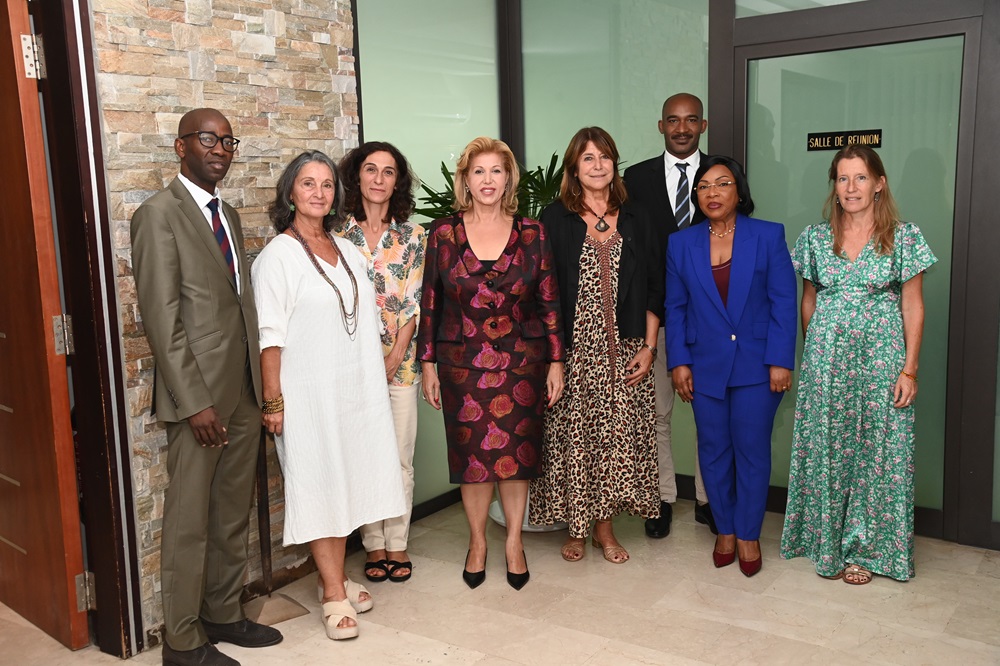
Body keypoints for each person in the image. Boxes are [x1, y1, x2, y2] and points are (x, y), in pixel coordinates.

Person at [130, 108, 283, 666]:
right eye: (207, 139)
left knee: (230, 512)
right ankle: (183, 639)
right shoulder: (157, 215)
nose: (219, 149)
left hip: (240, 392)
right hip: (199, 400)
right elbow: (161, 316)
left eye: (227, 141)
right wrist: (194, 401)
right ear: (180, 146)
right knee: (190, 519)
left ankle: (222, 612)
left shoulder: (231, 216)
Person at [251, 151, 406, 640]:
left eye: (325, 185)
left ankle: (330, 579)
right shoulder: (278, 255)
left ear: (336, 194)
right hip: (309, 394)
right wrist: (273, 401)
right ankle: (335, 593)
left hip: (354, 389)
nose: (318, 192)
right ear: (290, 193)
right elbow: (269, 336)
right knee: (320, 484)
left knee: (349, 481)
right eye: (306, 183)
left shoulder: (347, 247)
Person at [780, 145, 936, 585]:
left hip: (881, 360)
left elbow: (914, 305)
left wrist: (909, 369)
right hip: (826, 363)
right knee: (829, 448)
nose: (851, 188)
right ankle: (826, 541)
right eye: (843, 178)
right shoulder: (814, 237)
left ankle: (865, 550)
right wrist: (816, 357)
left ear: (879, 183)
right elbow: (807, 302)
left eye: (861, 178)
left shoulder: (905, 237)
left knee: (877, 454)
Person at [418, 136, 565, 591]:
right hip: (462, 365)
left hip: (523, 362)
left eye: (496, 171)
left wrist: (557, 361)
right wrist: (427, 363)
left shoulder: (533, 233)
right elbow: (430, 303)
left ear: (508, 179)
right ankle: (478, 542)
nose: (488, 180)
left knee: (516, 459)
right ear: (466, 179)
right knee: (474, 460)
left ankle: (514, 542)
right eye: (478, 171)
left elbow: (550, 301)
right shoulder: (443, 234)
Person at [529, 127, 662, 564]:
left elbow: (655, 285)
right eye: (588, 158)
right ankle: (576, 528)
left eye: (604, 157)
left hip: (625, 349)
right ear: (574, 168)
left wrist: (649, 346)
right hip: (574, 351)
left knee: (616, 439)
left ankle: (604, 531)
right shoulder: (554, 218)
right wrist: (554, 357)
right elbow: (544, 292)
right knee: (575, 437)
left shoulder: (638, 215)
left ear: (614, 163)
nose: (598, 165)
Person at [665, 155, 797, 577]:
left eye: (722, 184)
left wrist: (780, 359)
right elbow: (676, 306)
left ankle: (747, 534)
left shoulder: (768, 236)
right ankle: (724, 528)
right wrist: (679, 362)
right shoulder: (681, 243)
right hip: (704, 365)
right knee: (713, 452)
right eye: (703, 186)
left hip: (758, 366)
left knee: (752, 452)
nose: (712, 193)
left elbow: (782, 303)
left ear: (739, 191)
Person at [623, 93, 715, 538]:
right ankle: (660, 499)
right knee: (656, 412)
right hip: (654, 316)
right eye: (673, 121)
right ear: (661, 126)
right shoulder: (635, 178)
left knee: (708, 413)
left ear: (703, 124)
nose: (682, 128)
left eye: (691, 120)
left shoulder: (721, 174)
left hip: (711, 318)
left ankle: (708, 498)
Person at [336, 142, 426, 584]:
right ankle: (374, 546)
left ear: (397, 182)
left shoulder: (413, 236)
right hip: (350, 370)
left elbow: (413, 303)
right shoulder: (335, 236)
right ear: (356, 177)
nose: (378, 178)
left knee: (400, 459)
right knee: (364, 457)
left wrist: (392, 357)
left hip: (400, 368)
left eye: (388, 172)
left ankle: (398, 543)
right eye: (370, 169)